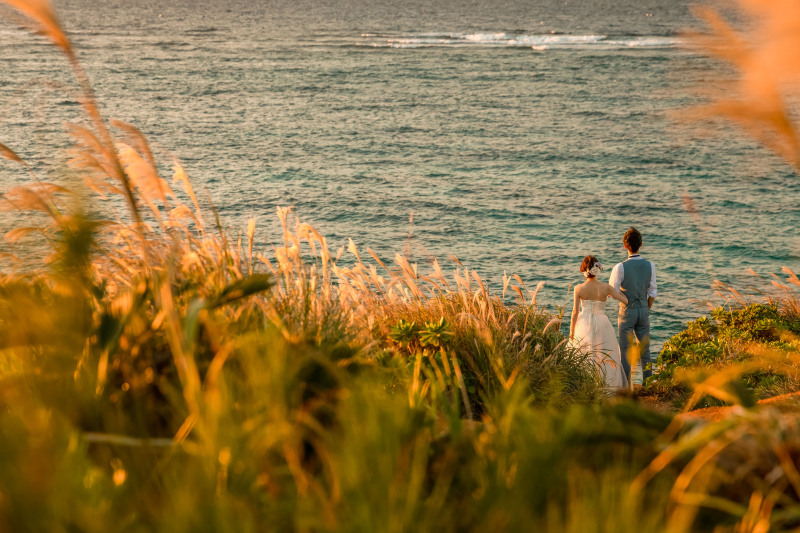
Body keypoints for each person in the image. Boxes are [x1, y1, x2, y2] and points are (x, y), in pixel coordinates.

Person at [569, 255, 629, 389]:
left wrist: (571, 333)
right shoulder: (606, 288)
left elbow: (574, 312)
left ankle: (585, 384)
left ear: (584, 270)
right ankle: (605, 383)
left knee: (585, 352)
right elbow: (625, 301)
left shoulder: (578, 288)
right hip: (602, 322)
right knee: (604, 352)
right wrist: (621, 292)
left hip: (583, 322)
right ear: (598, 269)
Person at [609, 227, 657, 385]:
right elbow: (653, 293)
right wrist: (645, 309)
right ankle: (648, 384)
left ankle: (626, 386)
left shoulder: (620, 268)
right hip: (643, 310)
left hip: (626, 313)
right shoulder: (650, 265)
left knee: (625, 350)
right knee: (645, 350)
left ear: (624, 246)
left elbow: (614, 292)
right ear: (641, 245)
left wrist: (627, 302)